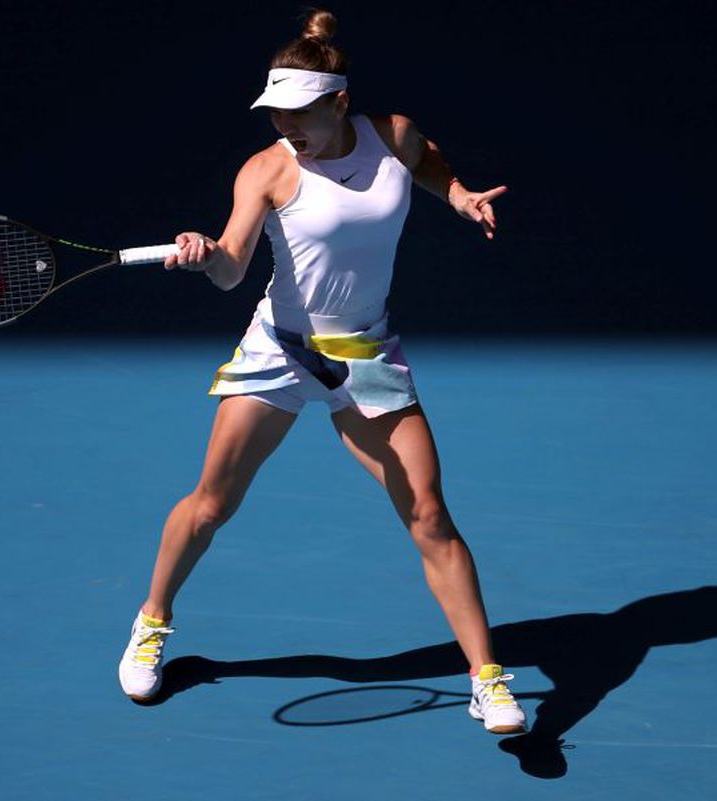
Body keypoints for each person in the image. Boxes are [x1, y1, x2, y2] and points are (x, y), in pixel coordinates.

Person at [117, 9, 526, 734]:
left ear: (340, 102)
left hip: (363, 352)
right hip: (279, 349)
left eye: (299, 114)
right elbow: (232, 270)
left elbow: (428, 160)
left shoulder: (391, 135)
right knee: (211, 504)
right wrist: (205, 253)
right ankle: (153, 618)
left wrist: (457, 195)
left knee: (430, 516)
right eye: (276, 115)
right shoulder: (268, 169)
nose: (287, 128)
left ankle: (486, 678)